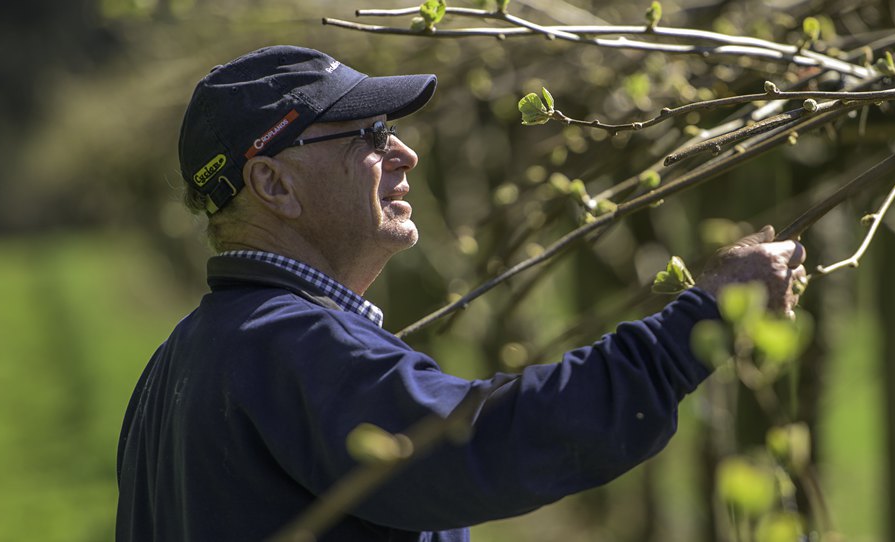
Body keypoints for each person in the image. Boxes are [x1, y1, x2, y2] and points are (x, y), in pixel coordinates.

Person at [116, 45, 807, 542]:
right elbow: (486, 444)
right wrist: (693, 326)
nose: (404, 153)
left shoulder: (174, 368)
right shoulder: (290, 344)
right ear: (272, 184)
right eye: (369, 134)